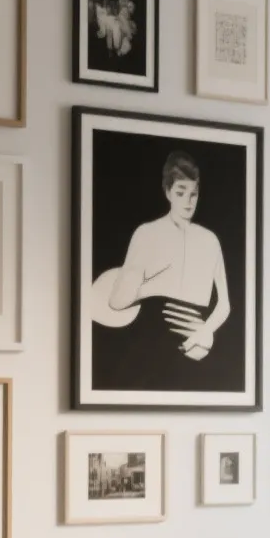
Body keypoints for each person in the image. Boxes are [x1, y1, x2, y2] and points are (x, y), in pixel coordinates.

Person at [94, 151, 231, 385]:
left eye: (194, 194)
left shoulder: (210, 241)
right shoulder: (147, 233)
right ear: (168, 192)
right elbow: (117, 301)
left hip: (199, 354)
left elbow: (224, 304)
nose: (188, 202)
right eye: (181, 193)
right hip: (150, 345)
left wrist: (204, 332)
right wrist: (149, 287)